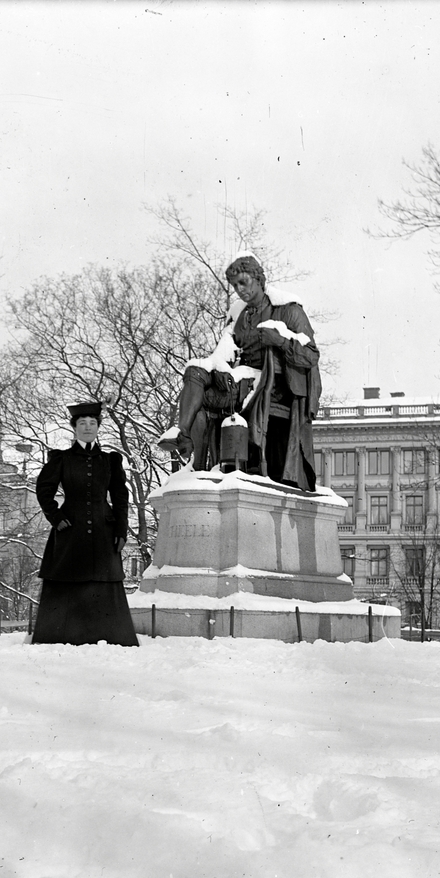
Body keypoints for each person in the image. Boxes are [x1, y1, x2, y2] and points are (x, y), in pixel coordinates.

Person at [159, 253, 321, 491]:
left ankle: (202, 461)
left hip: (270, 387)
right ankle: (184, 437)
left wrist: (281, 341)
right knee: (195, 372)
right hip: (237, 382)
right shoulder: (239, 315)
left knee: (204, 400)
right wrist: (221, 368)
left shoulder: (287, 310)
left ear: (258, 279)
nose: (239, 290)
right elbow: (222, 352)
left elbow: (311, 354)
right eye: (235, 286)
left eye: (243, 282)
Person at [31, 402, 139, 646]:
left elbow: (121, 498)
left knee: (104, 577)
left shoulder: (110, 461)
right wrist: (56, 517)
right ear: (75, 428)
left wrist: (122, 529)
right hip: (70, 530)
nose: (88, 428)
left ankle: (110, 636)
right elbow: (44, 490)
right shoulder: (62, 459)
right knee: (67, 575)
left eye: (92, 423)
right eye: (82, 424)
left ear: (98, 427)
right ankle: (59, 634)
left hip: (105, 531)